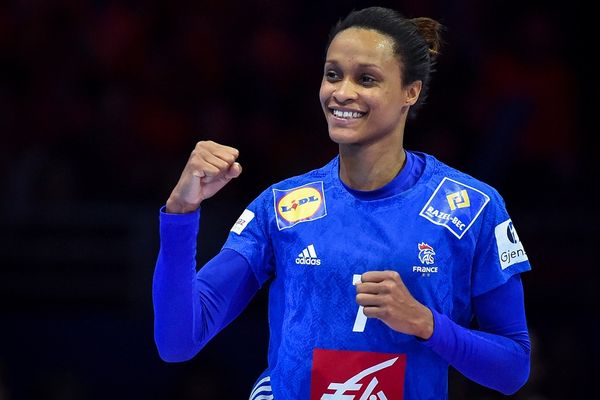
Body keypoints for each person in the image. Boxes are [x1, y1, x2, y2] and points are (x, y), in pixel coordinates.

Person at [153, 6, 531, 399]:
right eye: (333, 74)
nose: (342, 91)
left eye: (366, 79)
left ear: (410, 91)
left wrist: (427, 323)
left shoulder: (472, 207)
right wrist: (181, 213)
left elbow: (513, 369)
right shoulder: (282, 207)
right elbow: (178, 341)